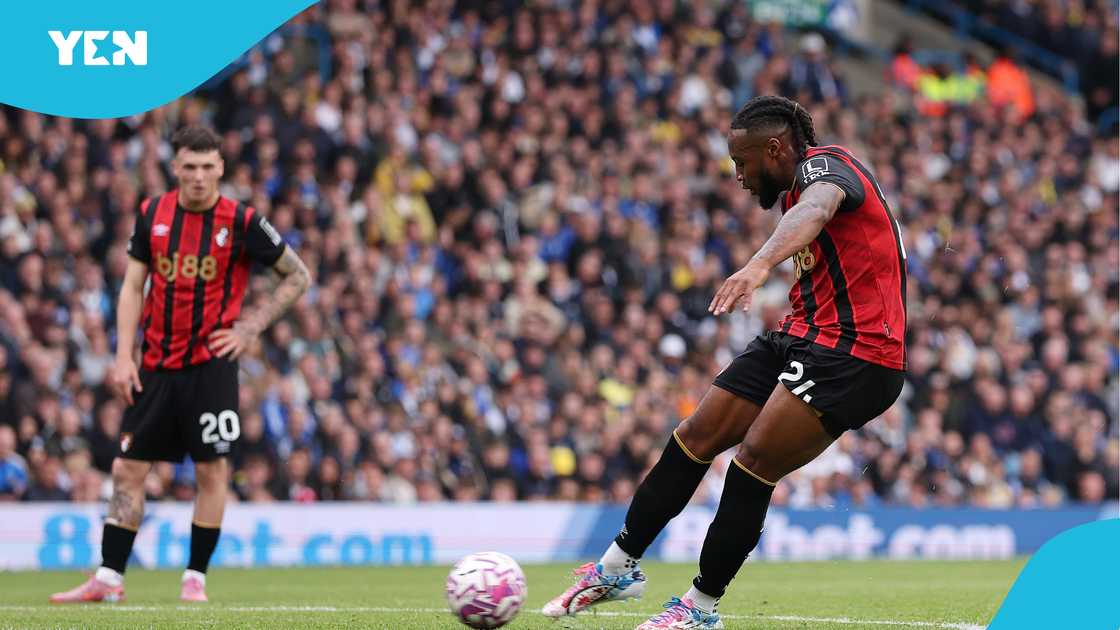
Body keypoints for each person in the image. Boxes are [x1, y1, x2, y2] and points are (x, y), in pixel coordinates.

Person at [542, 95, 907, 629]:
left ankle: (699, 608)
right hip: (801, 337)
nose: (738, 176)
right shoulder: (793, 193)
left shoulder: (825, 167)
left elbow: (819, 206)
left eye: (742, 162)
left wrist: (758, 266)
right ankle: (616, 570)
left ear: (776, 148)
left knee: (753, 460)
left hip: (859, 354)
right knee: (695, 434)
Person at [49, 126, 312, 604]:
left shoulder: (242, 220)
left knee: (212, 472)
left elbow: (298, 276)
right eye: (189, 167)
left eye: (207, 167)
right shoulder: (152, 212)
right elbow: (132, 287)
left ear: (221, 169)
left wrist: (250, 327)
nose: (198, 177)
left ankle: (195, 578)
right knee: (127, 468)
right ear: (175, 168)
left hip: (211, 367)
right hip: (154, 365)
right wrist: (122, 355)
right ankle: (109, 578)